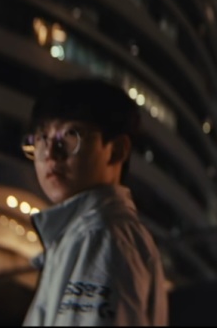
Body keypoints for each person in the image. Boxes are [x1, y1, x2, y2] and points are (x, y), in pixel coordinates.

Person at [22, 78, 168, 326]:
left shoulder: (100, 235)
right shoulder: (87, 234)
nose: (51, 154)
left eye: (71, 135)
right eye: (42, 138)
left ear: (117, 150)